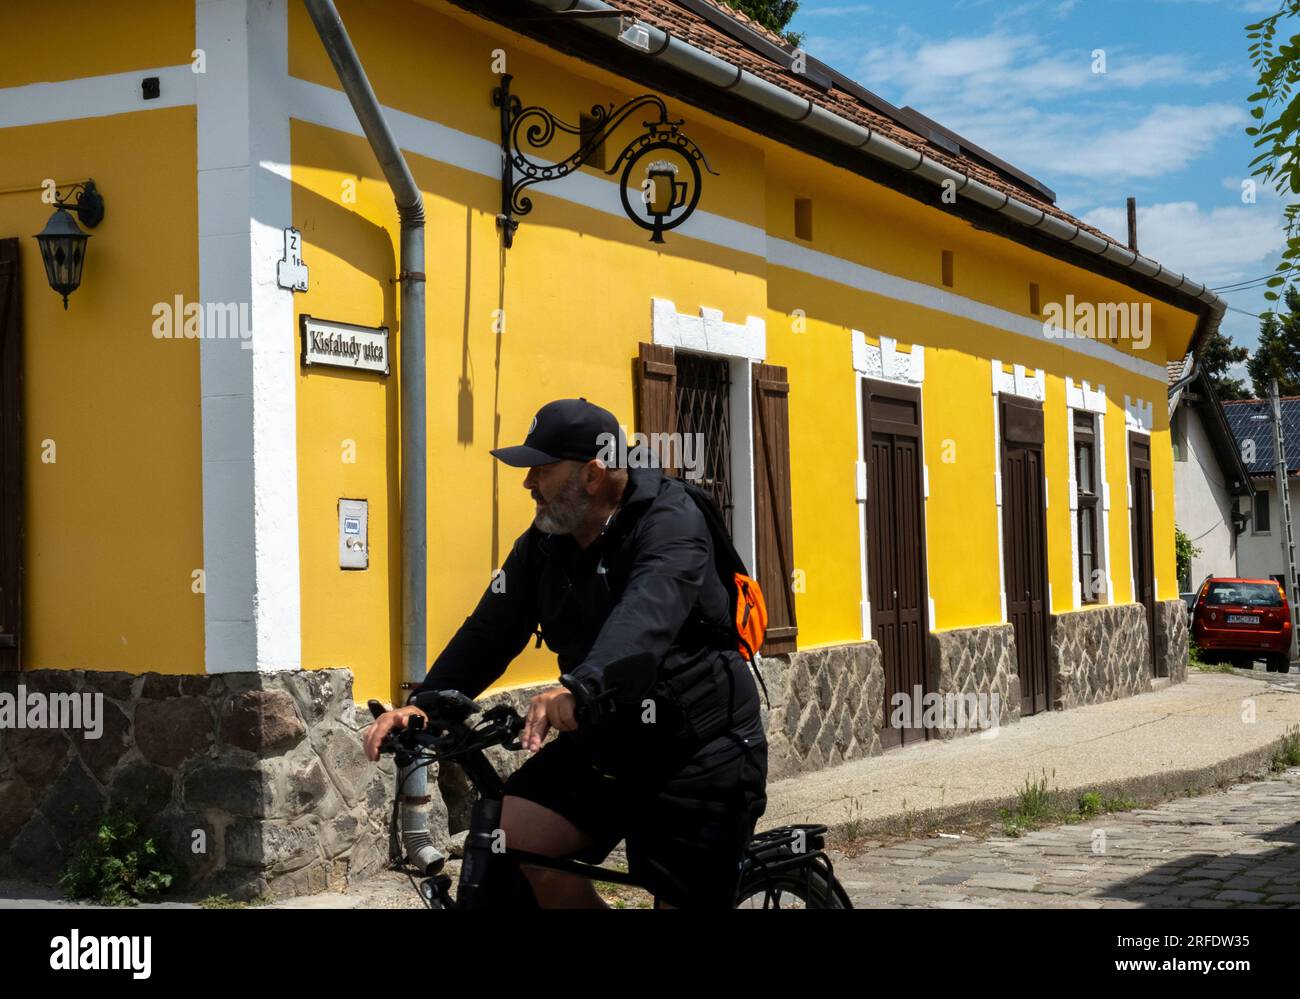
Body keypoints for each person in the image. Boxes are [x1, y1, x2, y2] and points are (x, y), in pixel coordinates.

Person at [364, 398, 768, 908]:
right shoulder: (546, 541)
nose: (527, 483)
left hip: (700, 747)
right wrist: (428, 703)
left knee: (680, 896)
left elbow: (647, 614)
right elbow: (491, 630)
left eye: (541, 469)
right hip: (606, 738)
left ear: (593, 475)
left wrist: (582, 685)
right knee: (515, 839)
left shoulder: (670, 522)